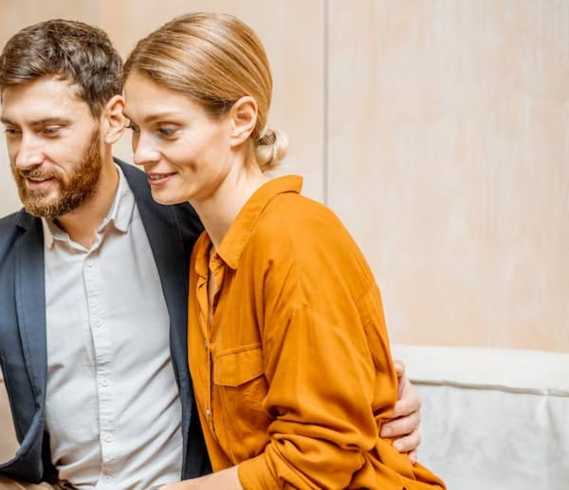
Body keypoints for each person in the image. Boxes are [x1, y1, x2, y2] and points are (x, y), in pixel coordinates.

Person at [0, 18, 425, 490]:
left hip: (191, 481)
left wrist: (379, 401)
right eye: (12, 132)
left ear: (110, 120)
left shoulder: (193, 224)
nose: (25, 157)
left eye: (49, 130)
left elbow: (315, 397)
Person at [121, 12, 445, 489]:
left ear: (241, 120)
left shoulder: (295, 238)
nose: (141, 152)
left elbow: (321, 457)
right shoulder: (205, 256)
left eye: (166, 130)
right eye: (135, 129)